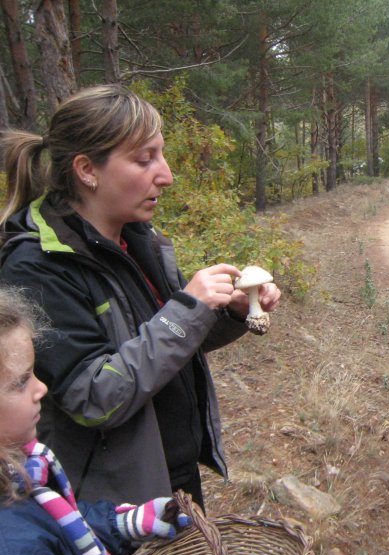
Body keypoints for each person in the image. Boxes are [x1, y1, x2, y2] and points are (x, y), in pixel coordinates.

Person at [0, 85, 281, 508]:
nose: (166, 175)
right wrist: (188, 310)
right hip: (113, 503)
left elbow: (171, 346)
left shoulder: (138, 240)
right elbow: (93, 396)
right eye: (145, 159)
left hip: (172, 474)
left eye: (161, 155)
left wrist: (231, 312)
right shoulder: (38, 266)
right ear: (87, 170)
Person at [0, 285, 270, 555]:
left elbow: (49, 529)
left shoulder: (21, 474)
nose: (42, 389)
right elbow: (98, 394)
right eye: (21, 382)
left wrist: (117, 525)